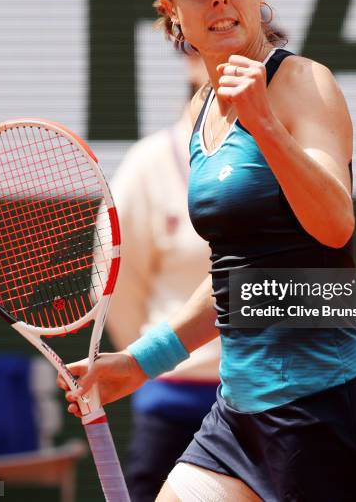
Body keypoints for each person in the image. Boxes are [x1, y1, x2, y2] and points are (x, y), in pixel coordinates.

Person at [58, 0, 356, 501]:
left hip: (325, 410)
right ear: (173, 9)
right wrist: (139, 362)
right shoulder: (204, 112)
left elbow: (334, 227)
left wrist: (266, 125)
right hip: (239, 414)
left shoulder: (305, 83)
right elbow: (236, 279)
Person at [106, 53, 221, 501]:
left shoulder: (288, 162)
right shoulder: (148, 163)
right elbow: (118, 287)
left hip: (265, 403)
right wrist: (154, 357)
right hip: (173, 404)